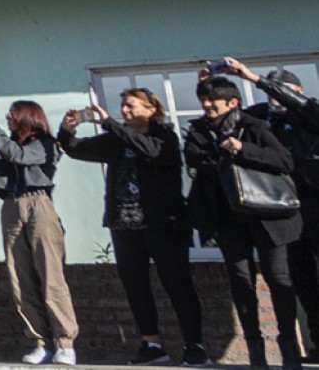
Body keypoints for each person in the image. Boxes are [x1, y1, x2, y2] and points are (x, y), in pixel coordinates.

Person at [58, 90, 203, 366]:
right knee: (136, 285)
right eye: (123, 105)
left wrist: (110, 124)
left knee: (177, 283)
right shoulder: (116, 139)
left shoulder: (165, 136)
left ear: (151, 109)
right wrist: (67, 131)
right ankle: (152, 344)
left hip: (163, 224)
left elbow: (150, 150)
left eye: (131, 106)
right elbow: (77, 149)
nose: (125, 110)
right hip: (124, 224)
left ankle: (194, 344)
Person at [185, 74, 305, 369]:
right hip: (228, 217)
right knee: (241, 281)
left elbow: (284, 160)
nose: (208, 104)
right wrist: (215, 154)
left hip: (267, 215)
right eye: (204, 99)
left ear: (233, 103)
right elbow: (193, 159)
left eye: (214, 99)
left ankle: (289, 349)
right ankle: (256, 352)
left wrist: (241, 148)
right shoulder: (199, 130)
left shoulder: (254, 126)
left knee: (279, 279)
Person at [0, 98, 78, 365]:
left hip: (38, 204)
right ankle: (39, 340)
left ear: (27, 117)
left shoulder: (45, 143)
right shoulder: (7, 143)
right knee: (20, 276)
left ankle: (65, 342)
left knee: (50, 274)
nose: (8, 118)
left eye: (12, 114)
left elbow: (19, 157)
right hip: (11, 205)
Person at [225, 57, 319, 353]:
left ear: (297, 91)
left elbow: (300, 105)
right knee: (301, 276)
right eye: (271, 91)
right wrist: (212, 85)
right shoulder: (263, 119)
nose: (274, 97)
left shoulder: (311, 113)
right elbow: (227, 115)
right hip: (285, 209)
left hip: (314, 200)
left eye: (281, 90)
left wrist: (255, 79)